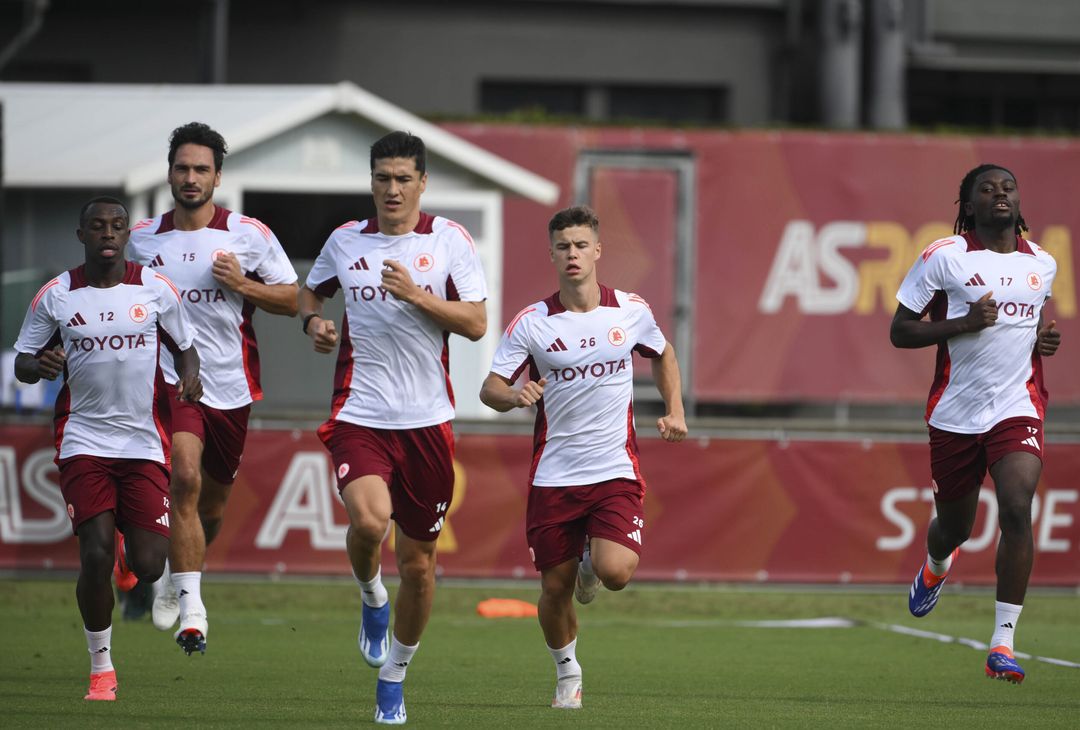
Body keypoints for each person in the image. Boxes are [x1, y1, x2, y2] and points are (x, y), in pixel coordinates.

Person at [299, 130, 487, 724]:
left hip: (427, 423)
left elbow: (478, 324)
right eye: (383, 178)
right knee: (369, 519)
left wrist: (416, 297)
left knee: (419, 565)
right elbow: (310, 297)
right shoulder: (345, 241)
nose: (392, 189)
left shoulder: (450, 241)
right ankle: (369, 595)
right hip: (361, 413)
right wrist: (314, 327)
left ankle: (395, 675)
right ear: (371, 182)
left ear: (422, 183)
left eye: (404, 178)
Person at [479, 205, 687, 709]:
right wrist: (516, 396)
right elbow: (490, 389)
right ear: (551, 254)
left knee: (615, 571)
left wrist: (675, 410)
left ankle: (593, 562)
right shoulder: (532, 323)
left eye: (580, 245)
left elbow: (662, 354)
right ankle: (567, 672)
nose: (572, 254)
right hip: (554, 475)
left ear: (597, 250)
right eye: (562, 246)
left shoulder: (630, 310)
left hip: (614, 467)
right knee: (555, 589)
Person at [13, 197, 202, 700]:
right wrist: (41, 365)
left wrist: (190, 376)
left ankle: (130, 562)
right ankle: (102, 668)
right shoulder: (56, 296)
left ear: (126, 234)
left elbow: (186, 346)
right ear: (81, 235)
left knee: (149, 567)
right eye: (98, 226)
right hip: (84, 440)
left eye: (117, 225)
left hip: (142, 441)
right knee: (92, 555)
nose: (108, 234)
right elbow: (22, 363)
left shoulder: (155, 288)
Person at [127, 122, 299, 654]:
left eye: (201, 168)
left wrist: (242, 284)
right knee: (182, 477)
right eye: (182, 168)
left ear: (218, 176)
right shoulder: (141, 239)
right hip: (173, 379)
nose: (191, 177)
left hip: (231, 385)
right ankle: (191, 609)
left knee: (212, 506)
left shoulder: (246, 234)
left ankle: (176, 577)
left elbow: (293, 300)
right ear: (170, 174)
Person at [891, 164, 1061, 684]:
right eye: (986, 189)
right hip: (956, 413)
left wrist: (1039, 344)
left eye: (1007, 187)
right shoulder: (944, 256)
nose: (999, 195)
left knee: (1015, 505)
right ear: (968, 205)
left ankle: (1002, 644)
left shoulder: (1044, 263)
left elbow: (1017, 333)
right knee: (956, 526)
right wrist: (963, 323)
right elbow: (901, 331)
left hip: (1016, 405)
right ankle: (937, 562)